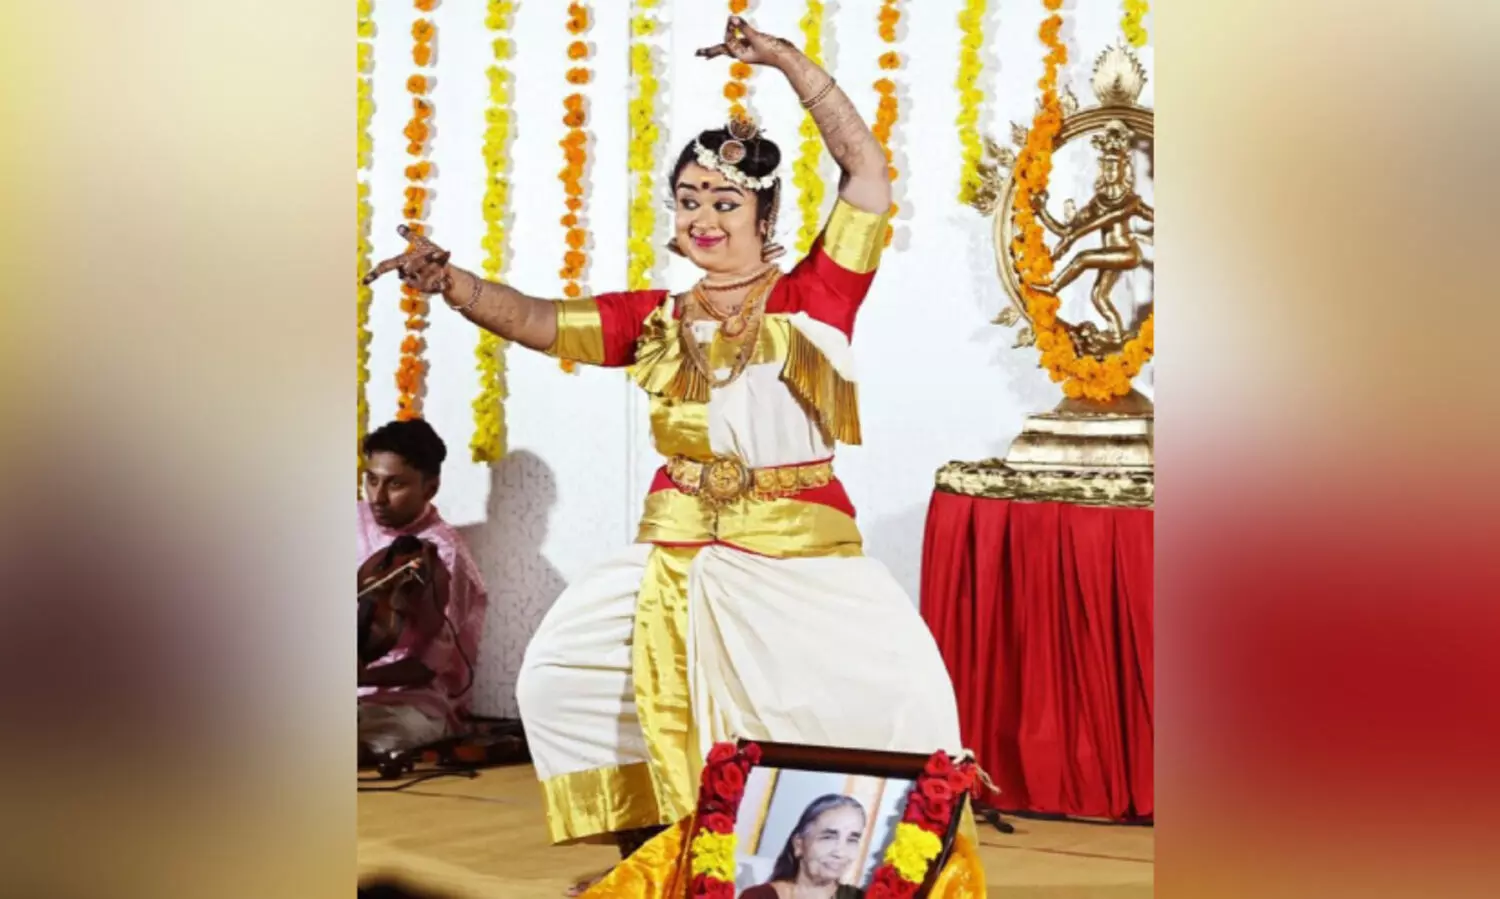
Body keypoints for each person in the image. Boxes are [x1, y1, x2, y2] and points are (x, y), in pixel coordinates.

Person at [363, 13, 964, 889]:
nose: (703, 219)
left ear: (765, 214)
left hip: (799, 554)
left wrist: (787, 62)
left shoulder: (818, 293)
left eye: (725, 203)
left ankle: (835, 870)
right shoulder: (655, 319)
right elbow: (537, 318)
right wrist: (451, 282)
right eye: (688, 200)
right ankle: (655, 861)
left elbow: (867, 170)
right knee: (562, 676)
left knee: (894, 701)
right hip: (677, 550)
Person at [357, 419, 488, 759]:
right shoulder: (352, 519)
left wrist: (357, 676)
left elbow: (426, 667)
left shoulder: (444, 556)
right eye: (371, 480)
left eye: (395, 484)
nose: (377, 498)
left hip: (411, 702)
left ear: (430, 489)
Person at [741, 795, 868, 899]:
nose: (840, 853)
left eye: (852, 840)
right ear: (799, 845)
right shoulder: (758, 896)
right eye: (828, 837)